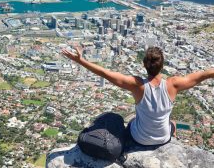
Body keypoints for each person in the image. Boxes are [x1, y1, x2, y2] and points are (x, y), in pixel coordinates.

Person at [62, 46, 214, 147]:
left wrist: (80, 60)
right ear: (163, 66)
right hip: (163, 139)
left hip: (139, 139)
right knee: (172, 122)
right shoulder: (173, 84)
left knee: (132, 121)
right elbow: (205, 74)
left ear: (144, 65)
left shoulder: (137, 85)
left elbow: (105, 73)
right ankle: (172, 140)